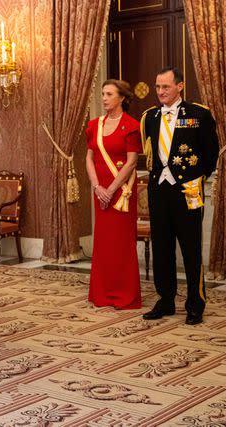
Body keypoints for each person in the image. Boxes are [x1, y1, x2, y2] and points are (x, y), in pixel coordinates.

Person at [141, 67, 219, 325]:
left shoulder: (199, 114)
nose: (160, 92)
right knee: (162, 248)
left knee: (191, 249)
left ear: (180, 86)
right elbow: (151, 154)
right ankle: (165, 300)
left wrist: (197, 179)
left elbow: (210, 154)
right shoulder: (150, 117)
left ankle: (195, 304)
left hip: (187, 191)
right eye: (157, 87)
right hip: (159, 191)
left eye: (165, 86)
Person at [85, 79, 142, 310]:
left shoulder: (131, 125)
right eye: (103, 94)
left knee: (121, 243)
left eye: (109, 94)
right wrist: (97, 186)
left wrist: (110, 189)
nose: (104, 98)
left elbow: (131, 162)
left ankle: (124, 295)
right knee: (104, 242)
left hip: (122, 193)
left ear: (122, 98)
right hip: (100, 192)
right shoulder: (94, 125)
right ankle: (103, 293)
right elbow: (88, 157)